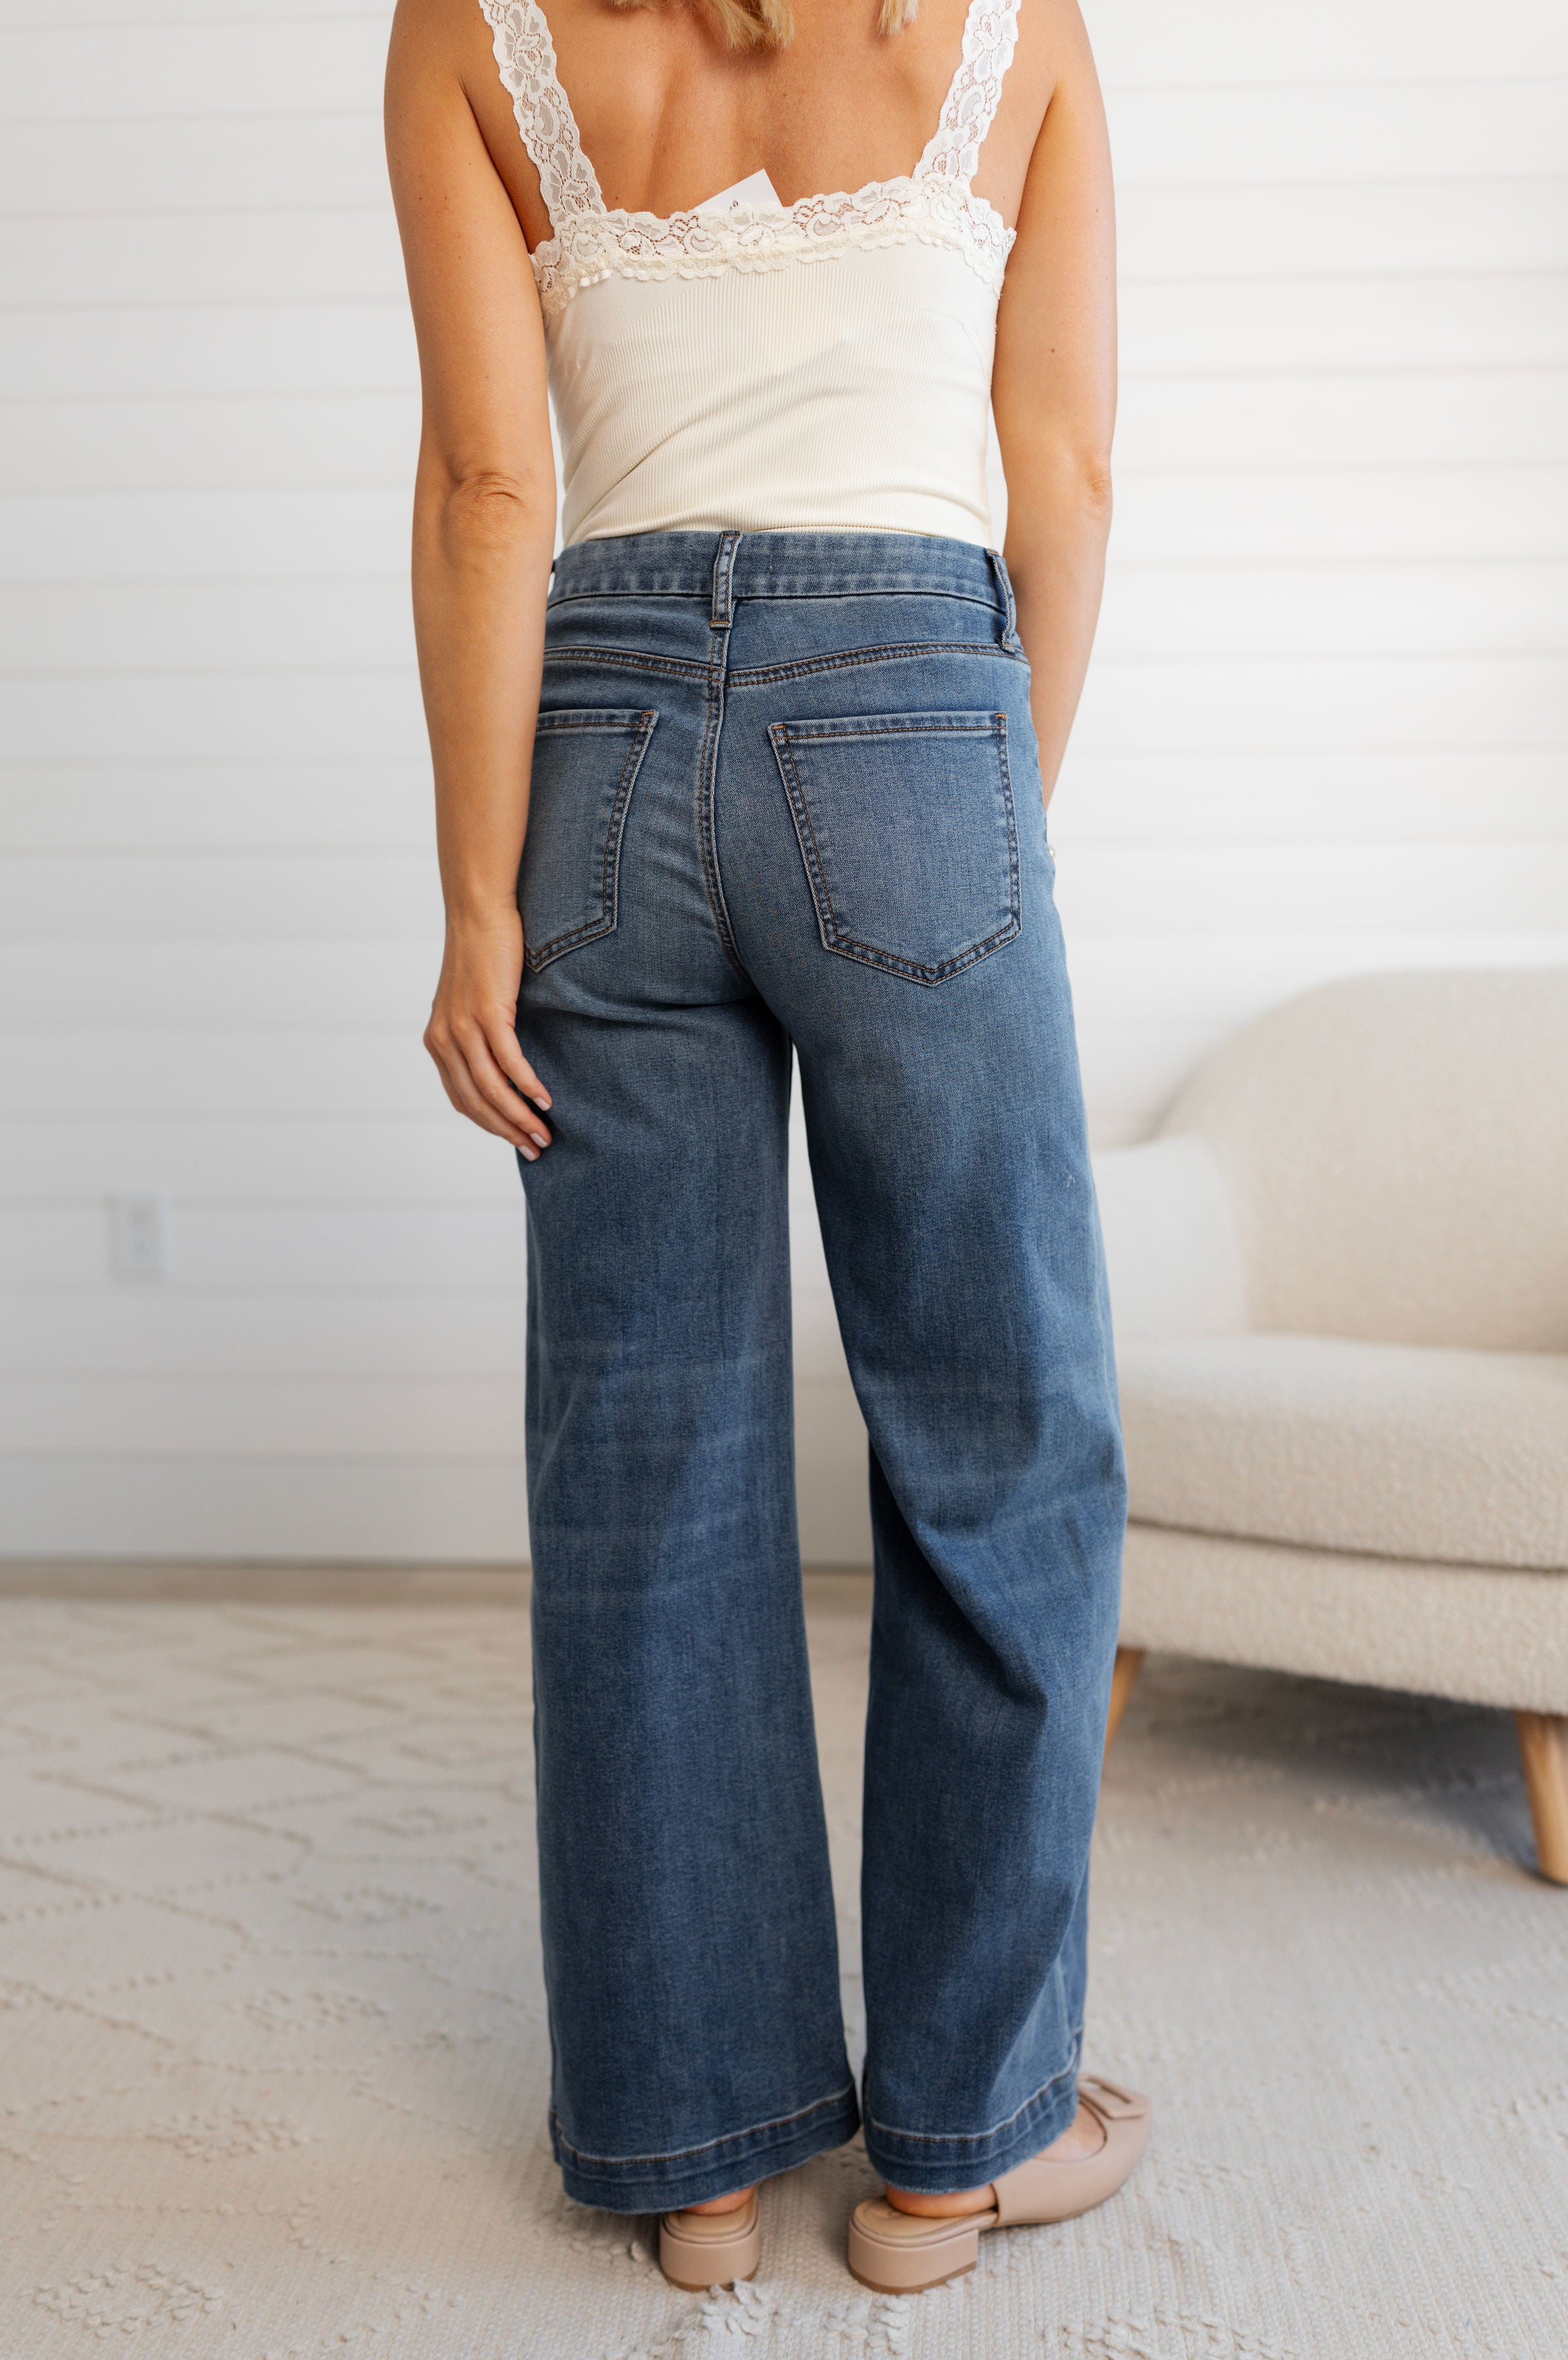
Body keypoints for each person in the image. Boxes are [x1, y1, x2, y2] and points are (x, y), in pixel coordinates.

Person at [384, 0, 1147, 2296]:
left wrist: (480, 903)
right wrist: (978, 814)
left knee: (645, 1452)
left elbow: (491, 488)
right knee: (1003, 1439)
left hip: (600, 737)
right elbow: (1064, 472)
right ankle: (957, 2152)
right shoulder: (1013, 25)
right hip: (917, 708)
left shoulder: (463, 30)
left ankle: (695, 2159)